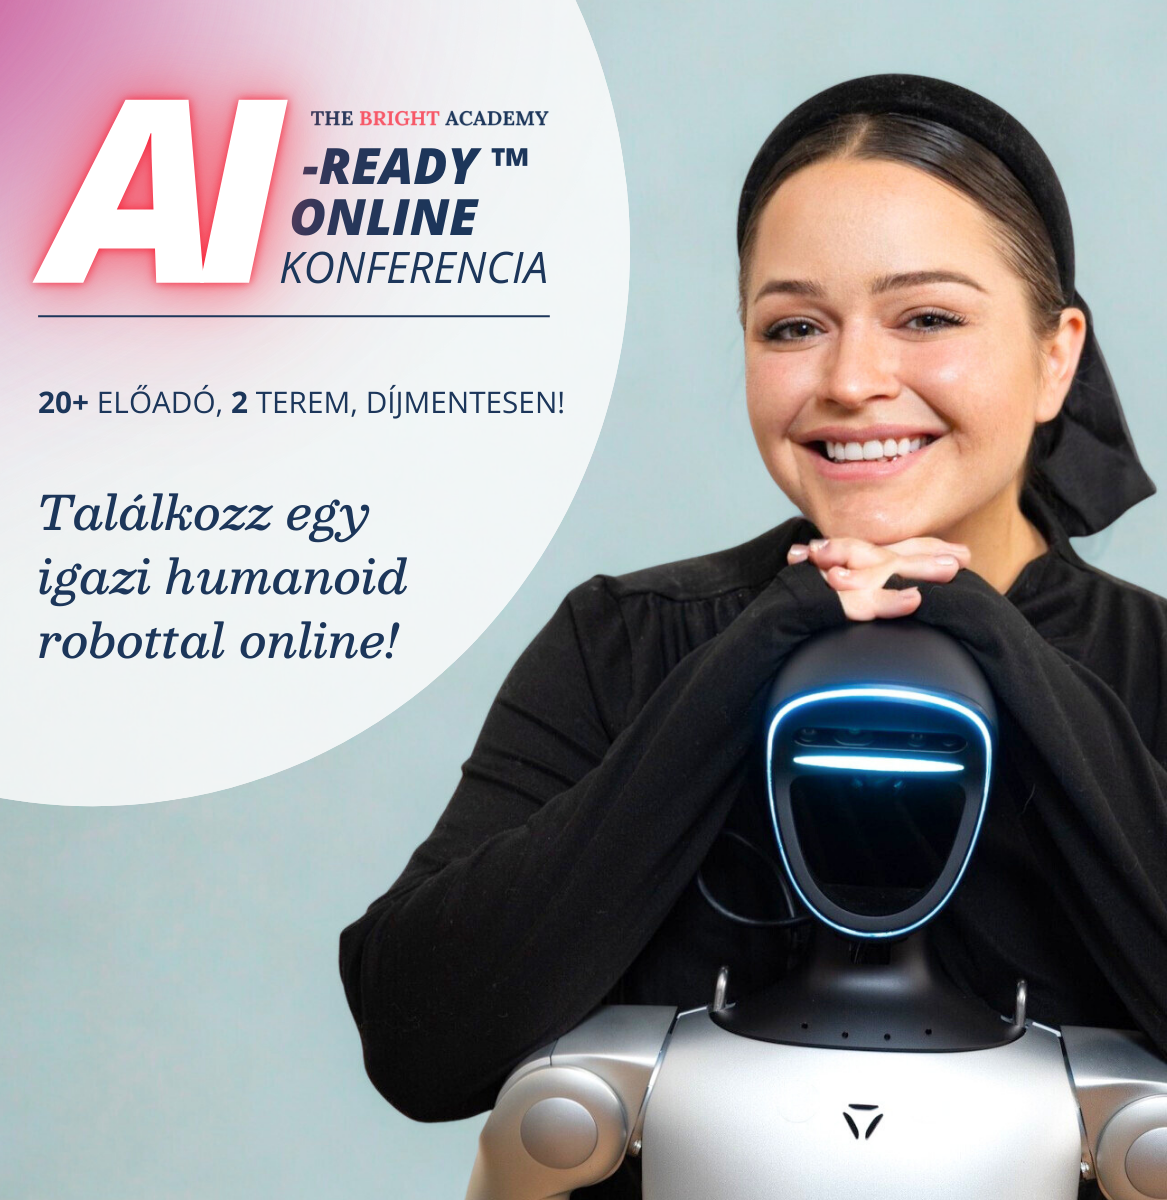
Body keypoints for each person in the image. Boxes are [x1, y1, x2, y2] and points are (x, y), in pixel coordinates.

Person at [339, 75, 1167, 1197]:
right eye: (794, 327)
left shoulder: (1152, 670)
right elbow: (420, 1038)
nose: (852, 381)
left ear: (1056, 354)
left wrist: (999, 644)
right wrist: (752, 654)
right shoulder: (625, 644)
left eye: (927, 317)